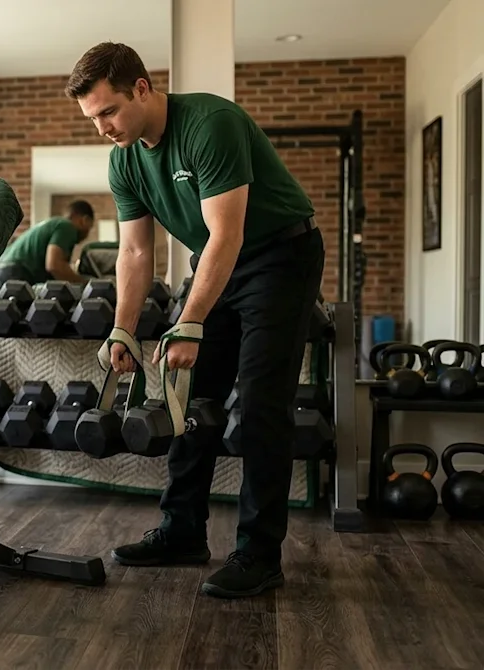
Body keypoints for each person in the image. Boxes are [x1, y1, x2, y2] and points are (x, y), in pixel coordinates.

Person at [64, 42, 324, 599]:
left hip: (279, 257)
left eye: (108, 111)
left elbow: (227, 233)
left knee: (259, 404)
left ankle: (259, 553)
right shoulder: (125, 159)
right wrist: (123, 329)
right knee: (186, 397)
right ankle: (182, 531)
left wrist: (190, 321)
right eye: (92, 118)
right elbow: (135, 254)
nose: (103, 128)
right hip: (218, 261)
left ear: (142, 87)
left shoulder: (211, 123)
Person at [0, 201, 95, 295]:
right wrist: (86, 284)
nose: (87, 234)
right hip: (12, 275)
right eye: (90, 227)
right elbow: (54, 266)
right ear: (85, 220)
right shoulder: (67, 226)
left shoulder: (51, 224)